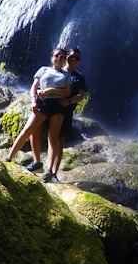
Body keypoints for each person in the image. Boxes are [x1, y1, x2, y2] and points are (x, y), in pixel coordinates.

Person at [6, 48, 70, 176]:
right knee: (27, 130)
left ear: (64, 60)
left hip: (57, 106)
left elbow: (67, 92)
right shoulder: (43, 70)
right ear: (52, 57)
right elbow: (33, 88)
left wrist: (50, 91)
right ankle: (8, 158)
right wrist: (33, 101)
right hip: (42, 103)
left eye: (63, 57)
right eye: (57, 55)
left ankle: (48, 171)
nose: (59, 58)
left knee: (53, 138)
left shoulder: (66, 75)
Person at [44, 48, 87, 178]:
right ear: (66, 56)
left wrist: (68, 101)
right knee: (51, 138)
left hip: (66, 112)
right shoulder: (57, 71)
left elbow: (82, 95)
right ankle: (46, 168)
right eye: (72, 56)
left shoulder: (79, 77)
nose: (74, 60)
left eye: (77, 58)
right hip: (51, 108)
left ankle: (53, 172)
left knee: (60, 141)